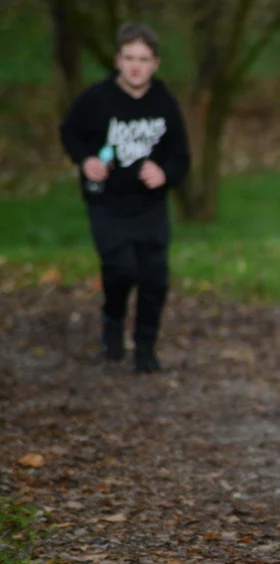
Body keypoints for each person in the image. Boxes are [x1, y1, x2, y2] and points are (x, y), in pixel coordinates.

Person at [59, 22, 189, 373]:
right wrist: (85, 161)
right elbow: (70, 132)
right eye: (129, 57)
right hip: (107, 203)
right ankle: (113, 317)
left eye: (144, 59)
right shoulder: (96, 99)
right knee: (120, 268)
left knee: (154, 277)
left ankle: (145, 347)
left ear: (155, 64)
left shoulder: (163, 102)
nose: (136, 66)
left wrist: (164, 174)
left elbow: (181, 156)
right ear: (117, 60)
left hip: (149, 205)